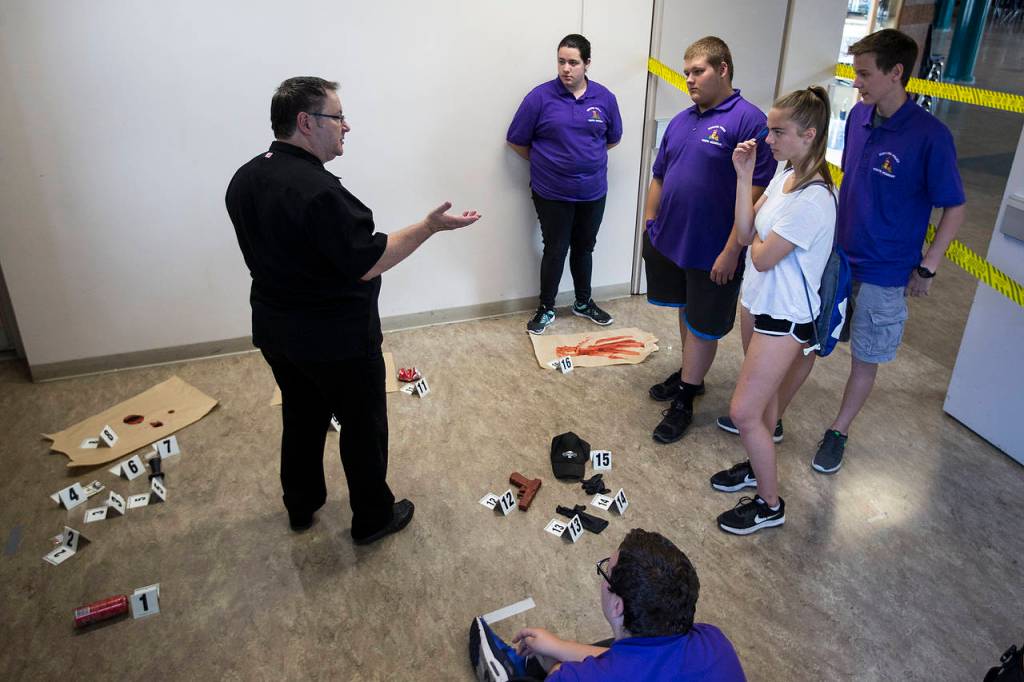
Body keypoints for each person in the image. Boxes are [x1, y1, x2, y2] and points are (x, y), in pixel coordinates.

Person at [225, 77, 480, 543]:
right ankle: (372, 517)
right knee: (362, 425)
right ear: (305, 122)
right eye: (337, 117)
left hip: (277, 332)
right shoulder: (318, 192)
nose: (347, 126)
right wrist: (429, 227)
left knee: (301, 416)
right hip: (336, 340)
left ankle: (300, 505)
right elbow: (369, 260)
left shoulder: (245, 178)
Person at [715, 30, 966, 475]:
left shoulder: (931, 136)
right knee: (812, 343)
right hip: (836, 256)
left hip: (886, 268)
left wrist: (928, 267)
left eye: (865, 74)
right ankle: (771, 422)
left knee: (864, 356)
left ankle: (839, 430)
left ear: (896, 73)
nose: (857, 83)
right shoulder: (858, 119)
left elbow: (954, 207)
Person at [709, 88, 837, 536]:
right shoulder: (784, 173)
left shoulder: (814, 199)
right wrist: (744, 177)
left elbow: (761, 256)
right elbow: (747, 235)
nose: (768, 138)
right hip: (758, 303)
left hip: (784, 320)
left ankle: (770, 504)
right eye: (768, 128)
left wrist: (760, 241)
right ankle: (755, 468)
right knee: (761, 412)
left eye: (778, 131)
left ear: (809, 134)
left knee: (745, 412)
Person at [642, 36, 776, 444]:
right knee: (686, 310)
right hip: (671, 239)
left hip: (713, 249)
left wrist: (732, 249)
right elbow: (660, 174)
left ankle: (684, 398)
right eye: (686, 72)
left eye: (697, 71)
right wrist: (650, 220)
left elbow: (757, 191)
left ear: (723, 69)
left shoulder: (748, 120)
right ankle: (691, 376)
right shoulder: (683, 120)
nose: (689, 79)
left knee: (704, 325)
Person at [469, 529, 745, 681]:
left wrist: (557, 668)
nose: (603, 579)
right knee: (611, 646)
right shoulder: (714, 641)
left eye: (606, 573)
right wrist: (558, 647)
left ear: (618, 607)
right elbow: (635, 661)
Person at [507, 34, 623, 335]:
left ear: (587, 63)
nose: (566, 68)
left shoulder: (605, 98)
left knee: (585, 248)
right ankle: (546, 308)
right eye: (561, 61)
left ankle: (583, 303)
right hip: (552, 192)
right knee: (556, 249)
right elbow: (516, 141)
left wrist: (583, 160)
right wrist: (548, 162)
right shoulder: (539, 98)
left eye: (573, 62)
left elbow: (613, 139)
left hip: (593, 191)